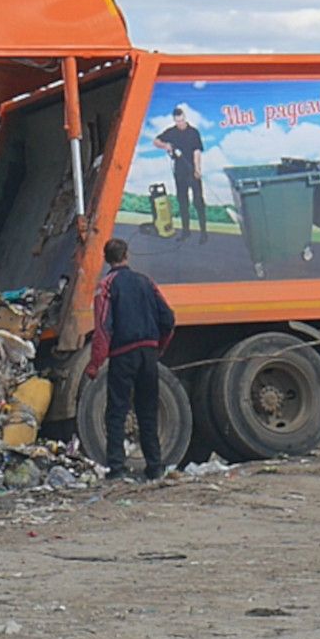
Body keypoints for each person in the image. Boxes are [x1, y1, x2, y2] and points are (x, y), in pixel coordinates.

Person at [88, 238, 176, 480]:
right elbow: (168, 319)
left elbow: (103, 328)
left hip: (122, 356)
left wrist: (95, 364)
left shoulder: (106, 286)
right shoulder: (146, 282)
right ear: (127, 254)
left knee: (117, 411)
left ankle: (116, 469)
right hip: (148, 354)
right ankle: (155, 468)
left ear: (107, 259)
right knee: (148, 410)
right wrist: (159, 349)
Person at [152, 105, 207, 243]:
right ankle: (186, 232)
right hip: (179, 172)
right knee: (183, 203)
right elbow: (156, 141)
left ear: (185, 118)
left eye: (181, 120)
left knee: (198, 201)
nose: (180, 123)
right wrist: (167, 146)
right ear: (174, 120)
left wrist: (197, 169)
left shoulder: (193, 132)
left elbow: (197, 151)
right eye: (177, 121)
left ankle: (203, 233)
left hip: (192, 171)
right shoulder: (172, 132)